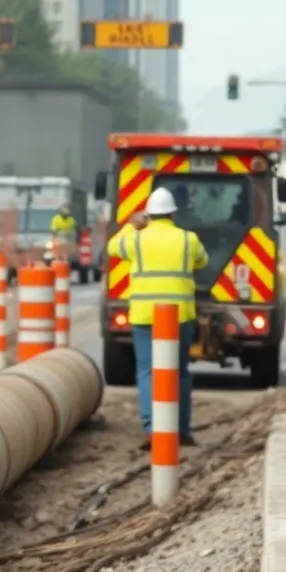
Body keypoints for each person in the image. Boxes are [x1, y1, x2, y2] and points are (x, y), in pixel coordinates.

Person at [107, 186, 209, 448]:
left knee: (147, 370)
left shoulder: (136, 239)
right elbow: (202, 261)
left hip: (144, 316)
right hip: (179, 315)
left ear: (149, 215)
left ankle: (152, 428)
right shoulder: (188, 239)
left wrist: (131, 225)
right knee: (180, 371)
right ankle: (181, 429)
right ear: (173, 215)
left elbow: (112, 248)